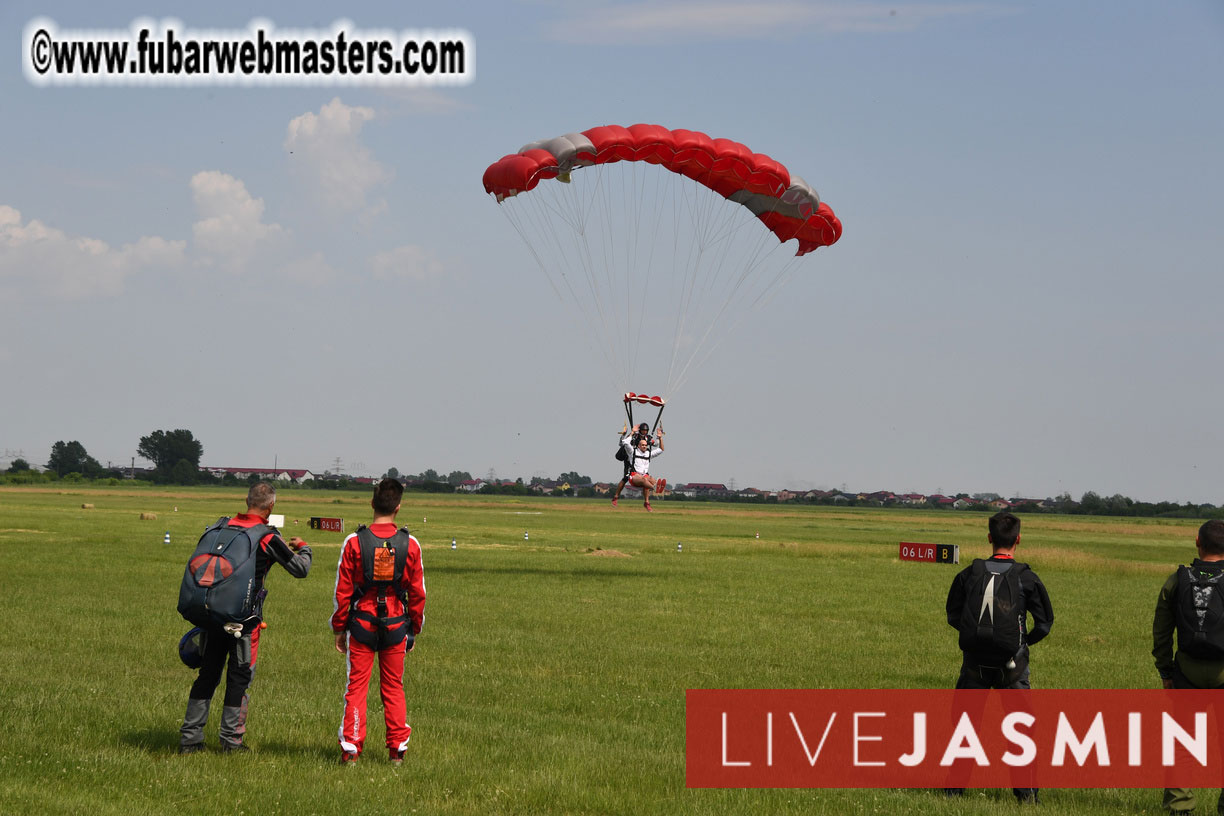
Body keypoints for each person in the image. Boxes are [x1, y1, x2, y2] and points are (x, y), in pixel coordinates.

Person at [179, 481, 312, 754]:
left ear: (246, 500)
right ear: (271, 506)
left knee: (208, 675)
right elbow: (300, 569)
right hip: (243, 624)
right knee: (239, 679)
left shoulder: (220, 527)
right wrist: (305, 547)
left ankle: (190, 740)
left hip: (211, 614)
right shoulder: (266, 536)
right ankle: (231, 742)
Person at [944, 511, 1053, 803]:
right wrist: (1021, 641)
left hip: (974, 663)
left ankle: (954, 791)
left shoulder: (969, 573)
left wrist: (978, 637)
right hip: (1013, 665)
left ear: (989, 538)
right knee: (1020, 727)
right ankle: (1026, 795)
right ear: (1018, 539)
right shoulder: (1027, 577)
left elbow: (953, 614)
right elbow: (1044, 624)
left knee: (965, 725)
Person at [332, 478, 426, 765]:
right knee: (393, 687)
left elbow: (342, 591)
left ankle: (351, 749)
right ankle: (397, 749)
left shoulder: (353, 542)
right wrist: (414, 629)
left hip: (361, 625)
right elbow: (418, 593)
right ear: (398, 507)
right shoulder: (410, 544)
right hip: (397, 626)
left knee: (356, 687)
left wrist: (339, 628)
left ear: (372, 504)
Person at [1152, 519, 1224, 815]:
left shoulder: (1176, 580)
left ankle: (1180, 806)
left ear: (1198, 542)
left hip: (1186, 671)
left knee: (1182, 741)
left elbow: (1161, 631)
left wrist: (1166, 671)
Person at [612, 424, 665, 510]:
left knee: (648, 478)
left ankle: (647, 501)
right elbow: (623, 442)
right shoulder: (634, 437)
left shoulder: (648, 439)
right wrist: (630, 433)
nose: (644, 432)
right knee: (625, 478)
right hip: (631, 459)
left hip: (642, 461)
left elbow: (657, 445)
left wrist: (659, 437)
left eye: (646, 431)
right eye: (643, 430)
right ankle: (616, 496)